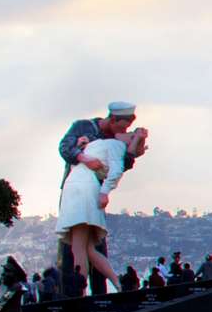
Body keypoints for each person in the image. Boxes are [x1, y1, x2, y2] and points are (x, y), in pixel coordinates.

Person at [55, 126, 147, 301]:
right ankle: (117, 282)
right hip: (82, 187)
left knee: (78, 247)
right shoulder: (108, 144)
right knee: (88, 248)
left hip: (80, 189)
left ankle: (80, 292)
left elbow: (116, 171)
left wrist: (105, 191)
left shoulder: (113, 145)